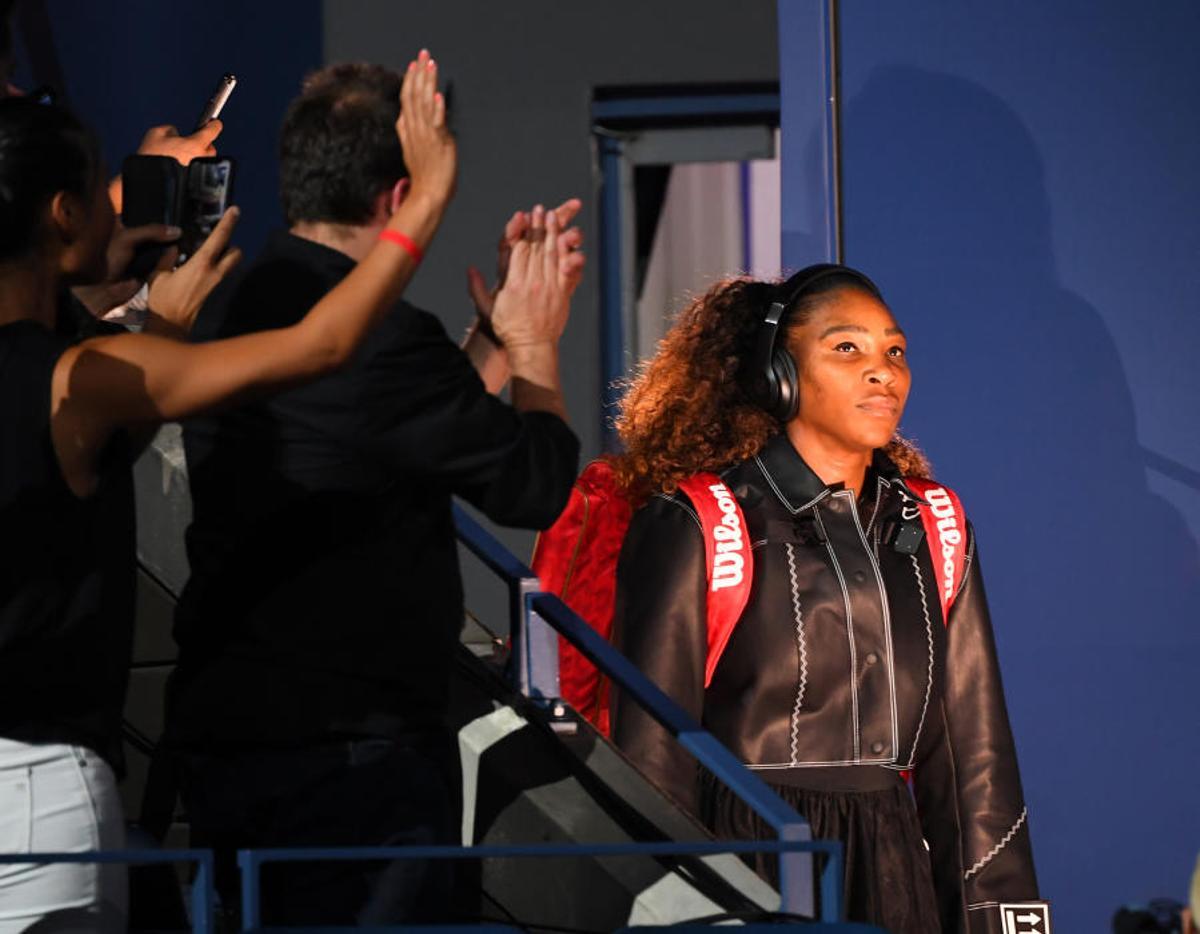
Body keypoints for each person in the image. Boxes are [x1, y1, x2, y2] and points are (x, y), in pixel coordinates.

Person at [0, 51, 456, 932]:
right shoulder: (79, 379)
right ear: (63, 215)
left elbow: (73, 469)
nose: (116, 208)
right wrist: (426, 200)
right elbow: (320, 345)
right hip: (39, 794)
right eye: (100, 192)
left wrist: (161, 325)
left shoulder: (81, 383)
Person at [163, 62, 583, 925]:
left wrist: (489, 339)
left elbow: (392, 433)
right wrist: (536, 345)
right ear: (401, 195)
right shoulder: (383, 341)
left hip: (236, 743)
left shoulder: (239, 299)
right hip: (351, 772)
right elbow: (535, 484)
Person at [610, 265, 1040, 934]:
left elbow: (973, 760)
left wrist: (998, 921)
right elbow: (651, 759)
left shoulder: (936, 524)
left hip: (894, 868)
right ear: (778, 374)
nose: (883, 372)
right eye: (847, 348)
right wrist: (681, 914)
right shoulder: (698, 519)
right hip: (748, 866)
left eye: (894, 351)